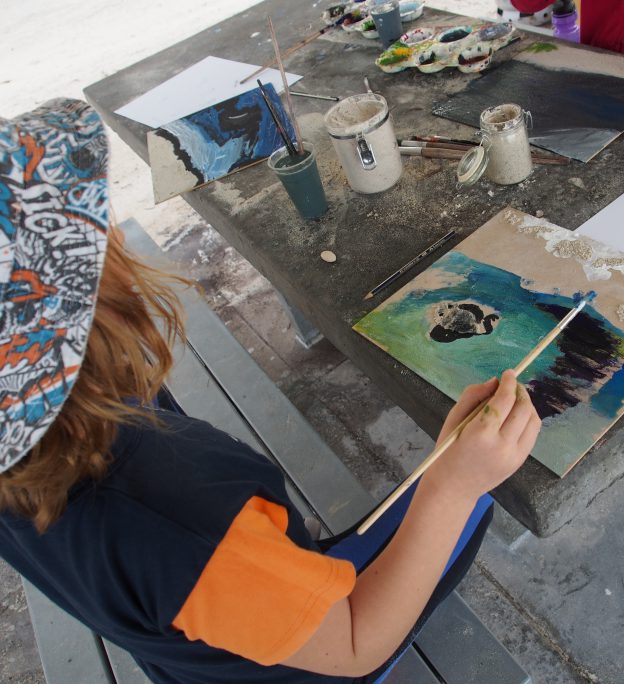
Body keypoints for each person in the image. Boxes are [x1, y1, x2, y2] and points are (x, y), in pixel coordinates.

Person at [0, 99, 542, 683]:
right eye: (86, 231)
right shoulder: (178, 516)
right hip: (311, 658)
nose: (108, 234)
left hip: (203, 637)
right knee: (473, 505)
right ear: (83, 305)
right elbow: (358, 641)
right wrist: (452, 486)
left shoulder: (40, 437)